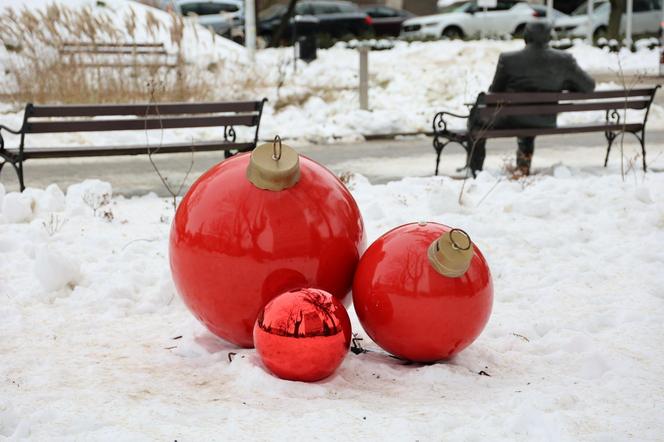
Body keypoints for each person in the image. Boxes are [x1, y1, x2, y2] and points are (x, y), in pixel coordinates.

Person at [467, 22, 596, 176]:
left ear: (526, 37)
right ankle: (523, 167)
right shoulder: (564, 60)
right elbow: (588, 86)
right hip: (544, 120)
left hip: (512, 120)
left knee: (477, 124)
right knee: (528, 118)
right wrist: (565, 84)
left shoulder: (508, 59)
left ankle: (475, 171)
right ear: (549, 38)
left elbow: (495, 92)